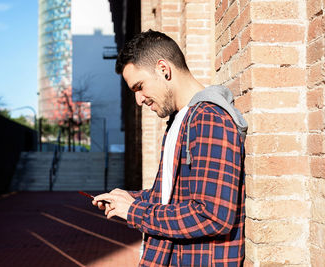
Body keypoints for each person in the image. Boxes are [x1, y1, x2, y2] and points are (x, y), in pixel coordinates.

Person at [92, 29, 247, 267]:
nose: (139, 99)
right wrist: (128, 198)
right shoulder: (179, 120)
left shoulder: (208, 118)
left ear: (164, 70)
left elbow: (212, 216)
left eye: (140, 86)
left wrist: (134, 211)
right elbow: (172, 197)